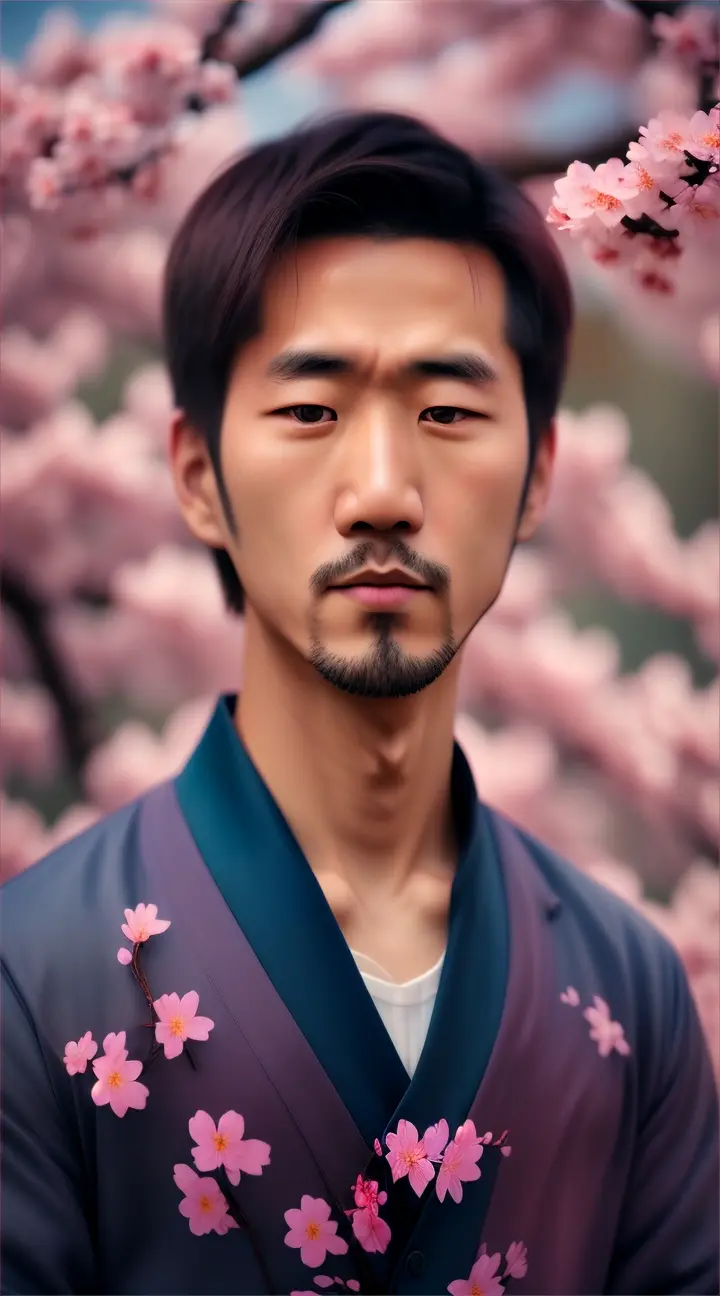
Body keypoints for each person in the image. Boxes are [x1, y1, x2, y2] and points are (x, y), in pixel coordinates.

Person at [1, 110, 718, 1296]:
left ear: (539, 474)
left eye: (446, 411)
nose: (383, 491)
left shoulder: (632, 989)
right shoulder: (34, 980)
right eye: (309, 410)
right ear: (196, 477)